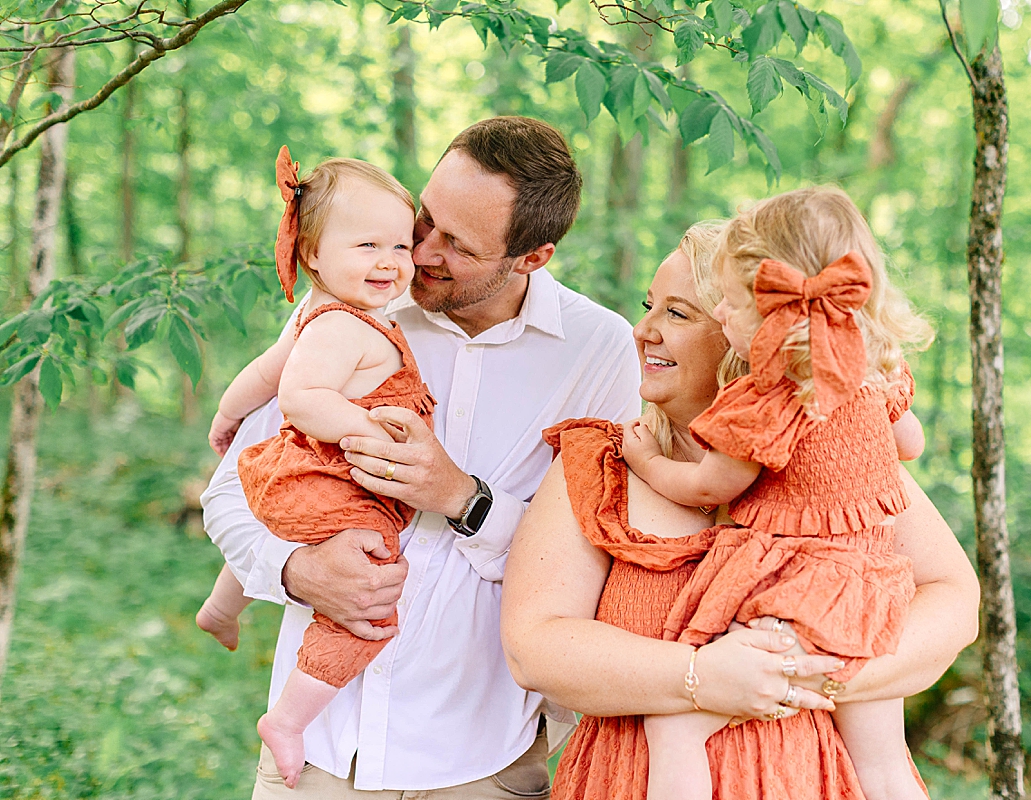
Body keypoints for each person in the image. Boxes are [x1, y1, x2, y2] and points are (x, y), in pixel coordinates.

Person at [201, 117, 644, 797]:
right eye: (424, 218)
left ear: (532, 258)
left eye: (456, 245)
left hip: (477, 759)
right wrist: (295, 569)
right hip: (318, 755)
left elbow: (595, 557)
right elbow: (231, 492)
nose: (419, 251)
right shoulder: (357, 300)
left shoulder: (597, 351)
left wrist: (463, 499)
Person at [500, 221, 981, 799]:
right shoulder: (603, 463)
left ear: (747, 333)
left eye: (678, 314)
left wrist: (806, 672)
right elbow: (535, 648)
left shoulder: (834, 459)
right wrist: (700, 679)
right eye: (649, 306)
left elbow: (955, 601)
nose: (642, 330)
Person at [621, 189, 932, 800]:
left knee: (675, 727)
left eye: (734, 307)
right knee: (884, 762)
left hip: (803, 599)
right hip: (876, 590)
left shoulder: (768, 398)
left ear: (778, 313)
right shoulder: (873, 373)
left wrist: (648, 461)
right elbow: (911, 442)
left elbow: (711, 484)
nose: (728, 320)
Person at [199, 147, 443, 787]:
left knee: (286, 522)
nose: (390, 262)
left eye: (400, 244)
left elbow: (264, 373)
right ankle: (288, 718)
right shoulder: (345, 328)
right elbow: (299, 398)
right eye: (366, 245)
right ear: (312, 254)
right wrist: (370, 431)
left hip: (286, 477)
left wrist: (227, 417)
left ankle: (223, 606)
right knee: (367, 601)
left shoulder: (311, 317)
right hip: (330, 480)